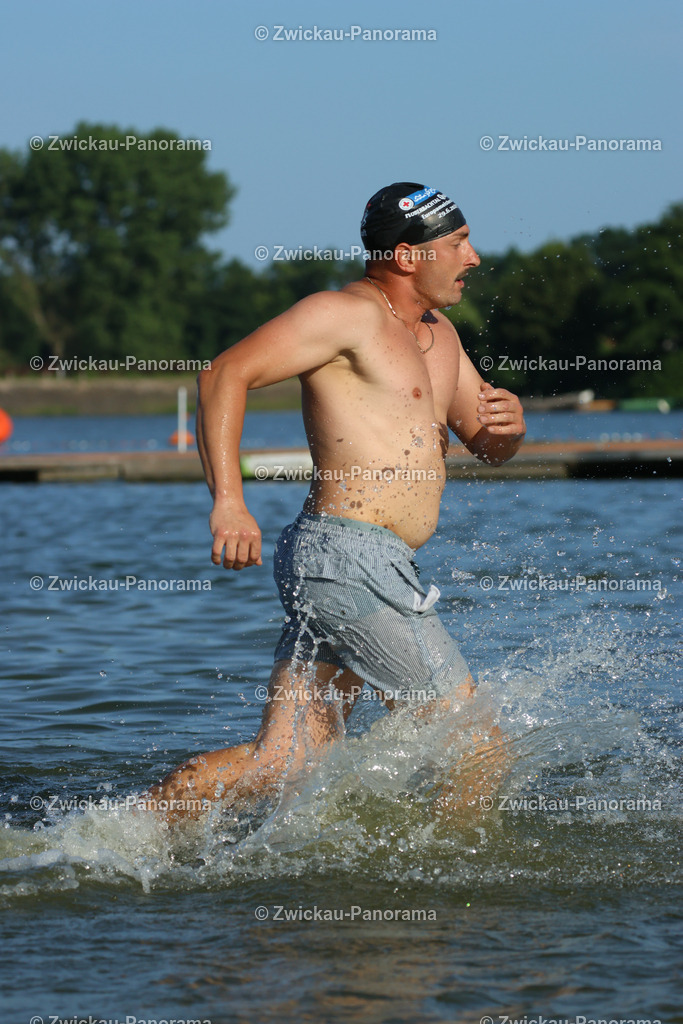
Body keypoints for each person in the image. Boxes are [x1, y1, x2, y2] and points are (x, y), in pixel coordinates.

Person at [146, 182, 526, 818]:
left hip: (355, 563)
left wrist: (510, 428)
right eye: (458, 243)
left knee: (289, 761)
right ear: (408, 256)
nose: (474, 258)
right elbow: (223, 373)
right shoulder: (345, 315)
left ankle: (122, 837)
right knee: (478, 747)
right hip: (350, 558)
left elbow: (485, 443)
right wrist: (230, 502)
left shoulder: (443, 336)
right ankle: (452, 902)